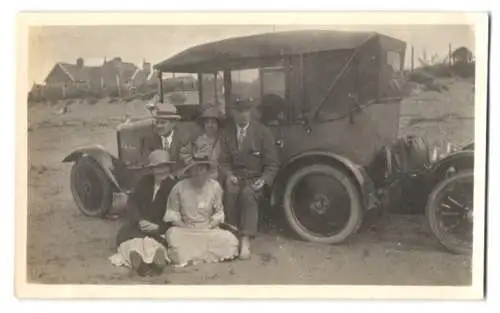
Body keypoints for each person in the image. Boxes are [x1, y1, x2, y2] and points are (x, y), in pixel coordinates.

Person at [218, 97, 280, 260]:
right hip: (235, 177)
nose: (243, 115)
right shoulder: (227, 133)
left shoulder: (262, 132)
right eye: (239, 111)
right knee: (230, 189)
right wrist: (229, 175)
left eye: (246, 111)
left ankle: (245, 240)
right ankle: (232, 235)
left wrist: (264, 179)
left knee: (248, 194)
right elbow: (223, 161)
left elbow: (272, 163)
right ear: (233, 113)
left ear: (251, 111)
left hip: (255, 178)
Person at [163, 153, 239, 267]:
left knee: (229, 240)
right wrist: (184, 226)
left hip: (208, 229)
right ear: (190, 171)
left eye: (201, 169)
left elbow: (218, 213)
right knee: (173, 235)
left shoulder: (215, 187)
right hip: (186, 230)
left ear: (208, 171)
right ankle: (190, 256)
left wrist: (209, 226)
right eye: (194, 170)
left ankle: (195, 256)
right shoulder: (179, 187)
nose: (198, 173)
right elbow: (172, 214)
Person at [109, 149, 177, 277]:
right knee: (131, 241)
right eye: (158, 168)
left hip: (158, 227)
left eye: (165, 167)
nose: (162, 171)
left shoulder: (174, 187)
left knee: (152, 242)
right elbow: (132, 203)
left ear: (170, 168)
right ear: (152, 170)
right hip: (139, 225)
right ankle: (138, 261)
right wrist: (139, 220)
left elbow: (175, 214)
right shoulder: (144, 182)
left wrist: (158, 227)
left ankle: (158, 259)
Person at [178, 104, 224, 180]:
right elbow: (184, 153)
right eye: (207, 123)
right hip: (201, 176)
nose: (210, 125)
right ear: (203, 125)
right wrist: (193, 164)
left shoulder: (223, 140)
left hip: (220, 177)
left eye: (213, 122)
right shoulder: (197, 140)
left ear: (218, 125)